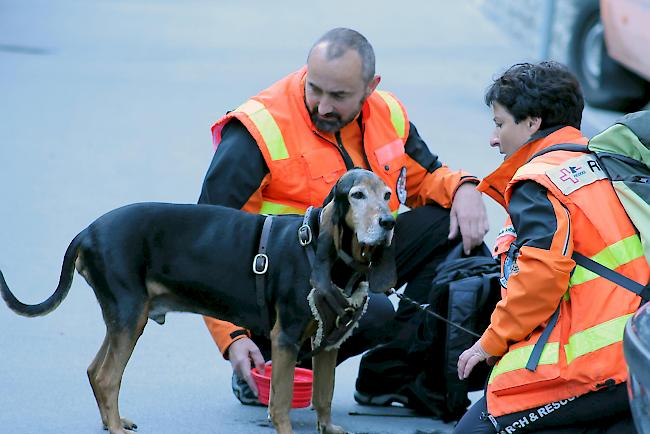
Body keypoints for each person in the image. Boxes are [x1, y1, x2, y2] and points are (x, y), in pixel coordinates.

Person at [198, 27, 488, 406]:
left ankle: (391, 376)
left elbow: (425, 177)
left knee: (450, 232)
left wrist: (465, 188)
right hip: (279, 291)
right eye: (314, 88)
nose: (322, 106)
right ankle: (271, 363)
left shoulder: (388, 114)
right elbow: (207, 241)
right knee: (373, 310)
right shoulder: (257, 132)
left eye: (338, 96)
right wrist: (232, 338)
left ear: (370, 87)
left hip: (352, 264)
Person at [454, 61, 650, 433]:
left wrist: (488, 344)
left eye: (500, 124)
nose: (493, 139)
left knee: (475, 430)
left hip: (597, 361)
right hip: (638, 346)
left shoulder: (539, 181)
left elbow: (540, 278)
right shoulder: (600, 162)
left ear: (532, 123)